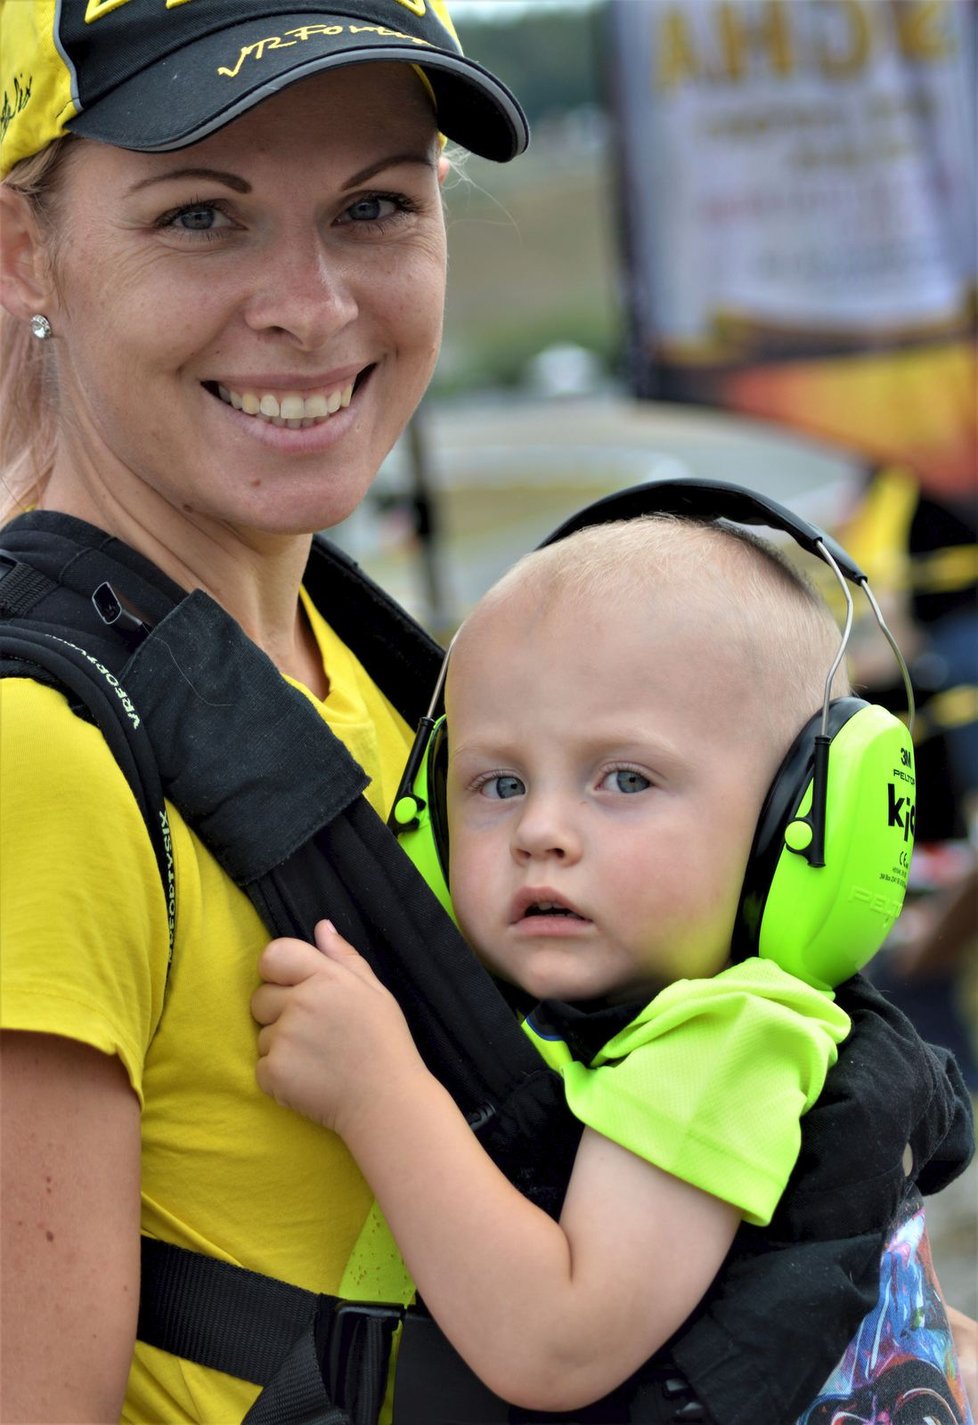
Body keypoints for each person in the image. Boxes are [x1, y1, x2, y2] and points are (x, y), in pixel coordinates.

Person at [0, 2, 971, 1422]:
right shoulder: (45, 757)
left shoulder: (417, 696)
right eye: (203, 216)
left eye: (375, 205)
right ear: (25, 249)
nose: (312, 305)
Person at [252, 515, 974, 1416]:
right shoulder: (616, 1019)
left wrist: (376, 1089)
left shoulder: (727, 1041)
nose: (540, 831)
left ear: (799, 828)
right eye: (499, 783)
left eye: (626, 780)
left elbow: (554, 1341)